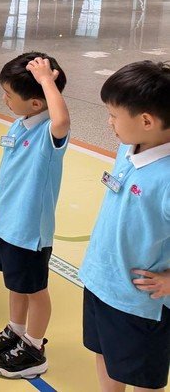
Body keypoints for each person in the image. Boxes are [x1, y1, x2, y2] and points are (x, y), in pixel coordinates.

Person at [0, 53, 70, 379]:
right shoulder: (20, 123)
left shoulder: (49, 132)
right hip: (7, 224)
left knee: (35, 290)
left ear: (38, 103)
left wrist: (46, 81)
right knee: (16, 285)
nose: (5, 99)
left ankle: (34, 348)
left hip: (29, 230)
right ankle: (15, 330)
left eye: (10, 95)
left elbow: (61, 121)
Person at [80, 61, 170, 392]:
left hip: (139, 302)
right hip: (101, 281)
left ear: (146, 121)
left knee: (143, 377)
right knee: (104, 353)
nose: (109, 122)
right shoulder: (128, 147)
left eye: (114, 115)